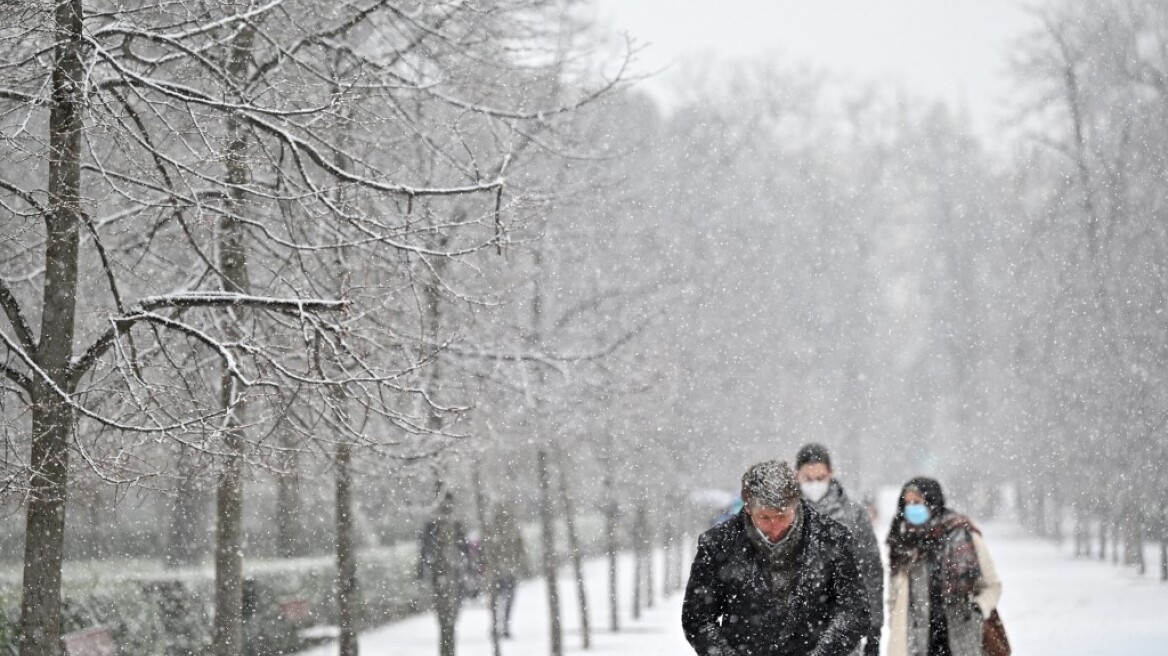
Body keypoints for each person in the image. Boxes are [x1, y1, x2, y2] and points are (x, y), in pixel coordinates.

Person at [682, 459, 870, 656]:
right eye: (764, 518)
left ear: (796, 504)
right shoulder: (718, 545)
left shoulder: (833, 539)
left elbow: (854, 612)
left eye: (783, 516)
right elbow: (698, 619)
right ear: (747, 508)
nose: (775, 528)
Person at [885, 477, 1003, 656]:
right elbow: (895, 596)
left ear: (933, 503)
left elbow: (992, 585)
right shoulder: (903, 541)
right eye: (907, 503)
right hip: (916, 642)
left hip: (961, 637)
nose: (911, 508)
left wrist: (978, 609)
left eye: (917, 502)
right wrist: (897, 624)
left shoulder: (962, 535)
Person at [796, 443, 884, 656]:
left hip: (842, 627)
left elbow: (870, 570)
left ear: (831, 473)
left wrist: (874, 626)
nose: (814, 484)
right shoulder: (784, 514)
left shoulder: (853, 515)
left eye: (820, 477)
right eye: (808, 478)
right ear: (796, 475)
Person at [483, 501, 529, 639]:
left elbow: (487, 550)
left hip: (500, 571)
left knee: (498, 601)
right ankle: (503, 626)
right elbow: (520, 550)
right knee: (506, 600)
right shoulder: (510, 529)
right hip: (506, 571)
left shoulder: (493, 529)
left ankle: (498, 626)